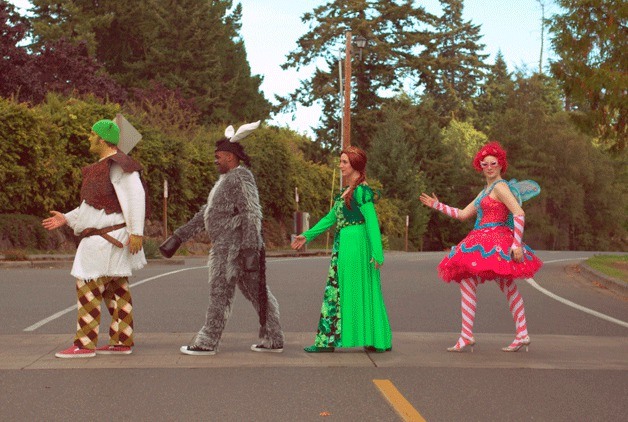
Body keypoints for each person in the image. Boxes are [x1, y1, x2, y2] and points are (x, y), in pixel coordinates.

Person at [159, 121, 284, 355]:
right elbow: (206, 213)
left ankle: (207, 341)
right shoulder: (226, 181)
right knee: (257, 293)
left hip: (232, 249)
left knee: (220, 294)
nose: (215, 160)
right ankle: (273, 338)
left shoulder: (240, 177)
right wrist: (179, 236)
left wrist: (249, 249)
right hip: (231, 247)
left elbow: (251, 212)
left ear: (229, 156)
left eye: (218, 157)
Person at [419, 141, 543, 353]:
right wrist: (437, 205)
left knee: (498, 284)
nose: (489, 167)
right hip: (484, 239)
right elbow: (462, 214)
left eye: (493, 163)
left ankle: (482, 335)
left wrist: (516, 244)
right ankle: (491, 334)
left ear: (501, 164)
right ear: (480, 166)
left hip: (496, 242)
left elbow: (519, 213)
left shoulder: (500, 187)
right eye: (485, 164)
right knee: (484, 283)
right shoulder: (486, 190)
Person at [42, 119, 147, 358]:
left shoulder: (118, 165)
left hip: (107, 239)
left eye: (92, 134)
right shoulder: (105, 166)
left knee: (88, 286)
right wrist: (66, 218)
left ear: (102, 139)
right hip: (110, 238)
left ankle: (84, 344)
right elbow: (91, 208)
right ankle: (121, 341)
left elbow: (135, 196)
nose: (89, 138)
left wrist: (137, 232)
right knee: (116, 289)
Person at [291, 146, 392, 353]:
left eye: (345, 162)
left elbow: (372, 222)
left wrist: (377, 253)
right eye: (341, 161)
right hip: (345, 245)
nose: (340, 165)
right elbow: (330, 219)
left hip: (357, 246)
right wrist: (307, 235)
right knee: (341, 289)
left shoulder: (361, 191)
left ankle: (353, 340)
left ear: (355, 165)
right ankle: (336, 340)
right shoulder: (346, 191)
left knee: (350, 290)